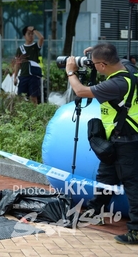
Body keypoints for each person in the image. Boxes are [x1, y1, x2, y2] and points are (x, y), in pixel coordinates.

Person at [67, 43, 138, 245]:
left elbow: (81, 91)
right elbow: (112, 55)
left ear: (104, 65)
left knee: (133, 186)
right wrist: (95, 52)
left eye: (96, 64)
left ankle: (136, 231)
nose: (95, 67)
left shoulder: (117, 84)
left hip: (127, 141)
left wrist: (71, 72)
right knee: (105, 178)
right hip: (115, 139)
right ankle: (95, 212)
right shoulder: (128, 68)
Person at [12, 25, 44, 104]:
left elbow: (41, 38)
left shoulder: (35, 47)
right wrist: (15, 77)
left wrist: (34, 29)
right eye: (28, 34)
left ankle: (35, 111)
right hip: (23, 76)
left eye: (32, 34)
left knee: (33, 97)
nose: (31, 36)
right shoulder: (20, 49)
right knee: (21, 97)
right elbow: (17, 64)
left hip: (34, 76)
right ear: (24, 36)